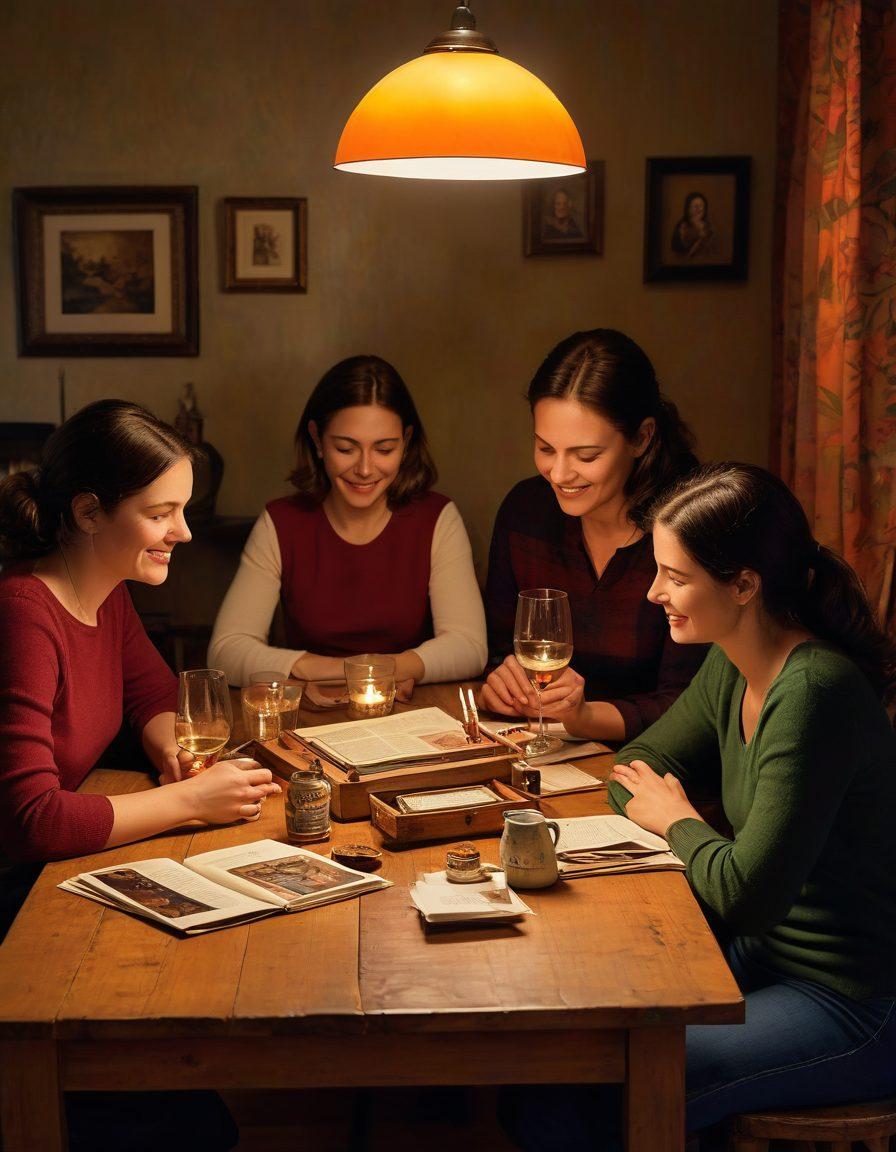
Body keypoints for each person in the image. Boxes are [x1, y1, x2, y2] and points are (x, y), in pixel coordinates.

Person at [503, 464, 896, 1150]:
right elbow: (632, 772)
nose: (655, 593)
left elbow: (746, 896)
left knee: (596, 1098)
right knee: (548, 1066)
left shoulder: (811, 693)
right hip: (761, 958)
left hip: (850, 999)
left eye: (675, 577)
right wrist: (668, 812)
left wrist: (677, 821)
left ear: (744, 584)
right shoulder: (731, 657)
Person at [0, 399, 279, 1150]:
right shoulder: (23, 614)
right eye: (163, 513)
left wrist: (171, 749)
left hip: (51, 882)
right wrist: (189, 798)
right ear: (91, 511)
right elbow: (32, 818)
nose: (184, 532)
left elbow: (151, 694)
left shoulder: (104, 594)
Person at [209, 355, 487, 690]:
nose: (366, 469)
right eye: (346, 448)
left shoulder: (438, 518)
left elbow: (469, 648)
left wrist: (383, 669)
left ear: (407, 442)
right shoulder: (280, 523)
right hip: (310, 716)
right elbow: (225, 652)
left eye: (384, 449)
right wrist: (321, 669)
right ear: (317, 440)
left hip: (413, 714)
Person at [482, 329, 706, 742]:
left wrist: (584, 717)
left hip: (657, 767)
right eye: (546, 449)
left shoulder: (688, 531)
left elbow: (694, 705)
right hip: (538, 749)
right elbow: (499, 648)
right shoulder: (525, 513)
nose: (560, 474)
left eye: (586, 456)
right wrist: (504, 681)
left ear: (641, 438)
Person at [671, 191, 718, 259]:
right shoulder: (681, 226)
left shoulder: (709, 227)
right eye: (695, 206)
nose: (699, 209)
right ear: (688, 209)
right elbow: (677, 250)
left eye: (701, 206)